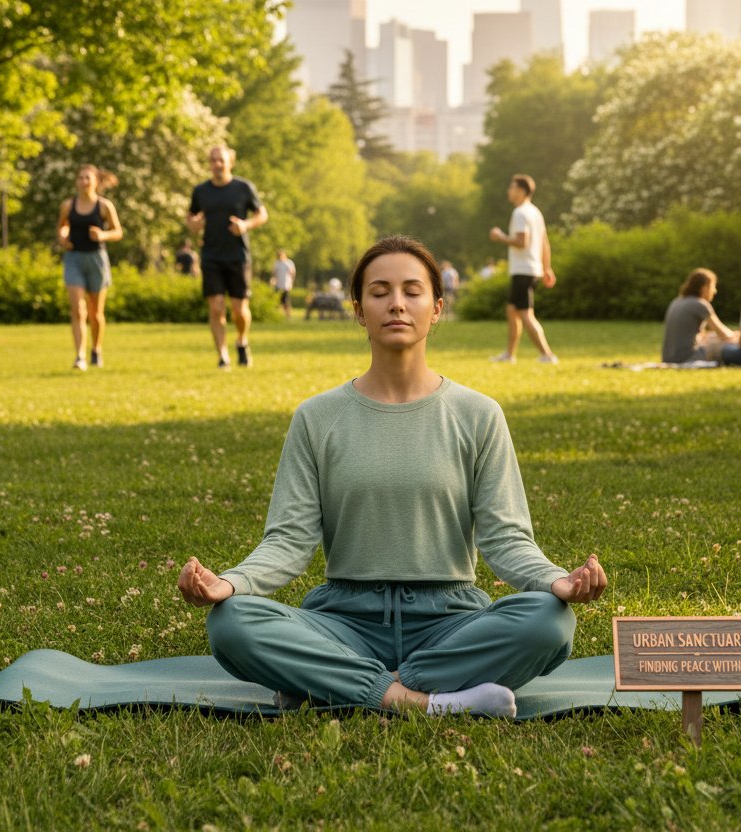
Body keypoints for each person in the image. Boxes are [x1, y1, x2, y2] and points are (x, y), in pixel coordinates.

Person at [178, 235, 606, 718]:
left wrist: (555, 581)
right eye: (380, 292)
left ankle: (334, 684)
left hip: (450, 622)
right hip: (342, 621)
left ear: (437, 307)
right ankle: (423, 702)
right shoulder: (317, 417)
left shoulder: (479, 414)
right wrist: (230, 583)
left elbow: (506, 538)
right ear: (360, 311)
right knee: (231, 624)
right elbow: (289, 539)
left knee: (549, 622)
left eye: (412, 291)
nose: (397, 304)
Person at [186, 145, 269, 369]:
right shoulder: (201, 191)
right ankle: (223, 355)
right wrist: (193, 223)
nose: (217, 164)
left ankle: (242, 341)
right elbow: (191, 216)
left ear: (230, 162)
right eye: (213, 160)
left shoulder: (243, 188)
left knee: (239, 309)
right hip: (211, 255)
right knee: (216, 307)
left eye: (221, 160)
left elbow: (262, 214)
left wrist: (245, 225)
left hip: (237, 255)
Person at [56, 164, 123, 371]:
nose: (83, 182)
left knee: (95, 313)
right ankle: (79, 356)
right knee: (77, 309)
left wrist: (103, 235)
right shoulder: (68, 205)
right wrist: (63, 237)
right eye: (80, 178)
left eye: (87, 178)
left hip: (96, 259)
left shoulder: (104, 206)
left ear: (96, 181)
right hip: (74, 258)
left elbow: (118, 231)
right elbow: (62, 226)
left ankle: (96, 349)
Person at [489, 174, 558, 364]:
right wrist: (547, 268)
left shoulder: (520, 213)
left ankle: (547, 355)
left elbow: (521, 242)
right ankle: (509, 355)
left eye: (511, 187)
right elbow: (545, 243)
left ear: (521, 190)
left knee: (525, 314)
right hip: (531, 269)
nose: (508, 191)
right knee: (512, 310)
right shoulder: (536, 212)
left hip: (523, 270)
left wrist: (500, 236)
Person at [661, 268, 737, 364]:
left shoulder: (676, 301)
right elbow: (724, 334)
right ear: (704, 287)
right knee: (723, 345)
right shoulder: (700, 304)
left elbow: (702, 336)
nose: (715, 291)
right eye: (713, 286)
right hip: (687, 357)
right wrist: (738, 337)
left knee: (714, 339)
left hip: (668, 358)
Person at [271, 250, 297, 319]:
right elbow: (274, 273)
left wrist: (291, 283)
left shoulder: (289, 263)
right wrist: (273, 280)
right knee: (277, 301)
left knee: (286, 301)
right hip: (278, 285)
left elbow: (293, 273)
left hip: (286, 285)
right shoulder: (277, 263)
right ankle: (276, 315)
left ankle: (288, 315)